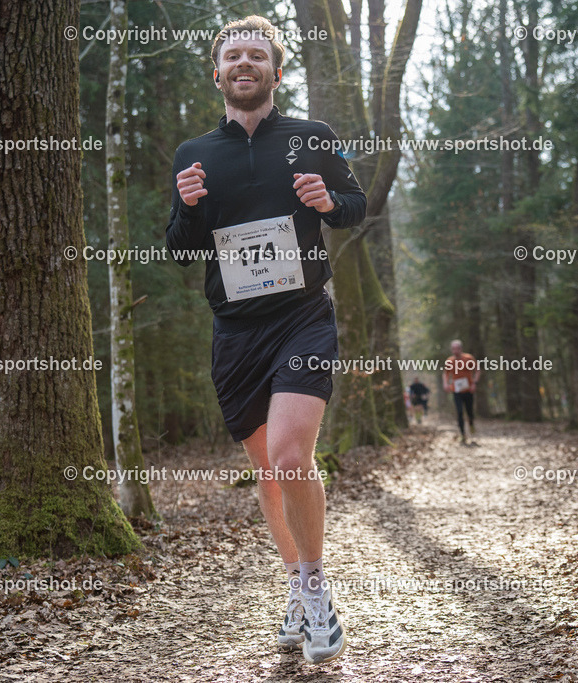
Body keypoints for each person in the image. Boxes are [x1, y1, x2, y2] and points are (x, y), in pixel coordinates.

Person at [165, 15, 366, 664]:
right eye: (233, 56)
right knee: (268, 472)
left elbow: (357, 205)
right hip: (235, 330)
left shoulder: (313, 137)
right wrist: (188, 207)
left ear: (276, 72)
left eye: (256, 54)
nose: (244, 62)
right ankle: (294, 583)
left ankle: (317, 588)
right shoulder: (194, 154)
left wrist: (329, 203)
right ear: (217, 74)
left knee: (289, 456)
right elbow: (179, 249)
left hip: (302, 316)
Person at [443, 340, 478, 440]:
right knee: (459, 412)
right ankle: (462, 434)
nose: (455, 351)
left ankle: (471, 423)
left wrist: (474, 383)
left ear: (461, 349)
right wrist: (446, 384)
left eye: (457, 349)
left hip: (468, 390)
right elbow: (446, 374)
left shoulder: (468, 358)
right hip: (456, 390)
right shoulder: (450, 361)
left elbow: (477, 370)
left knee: (469, 411)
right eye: (453, 349)